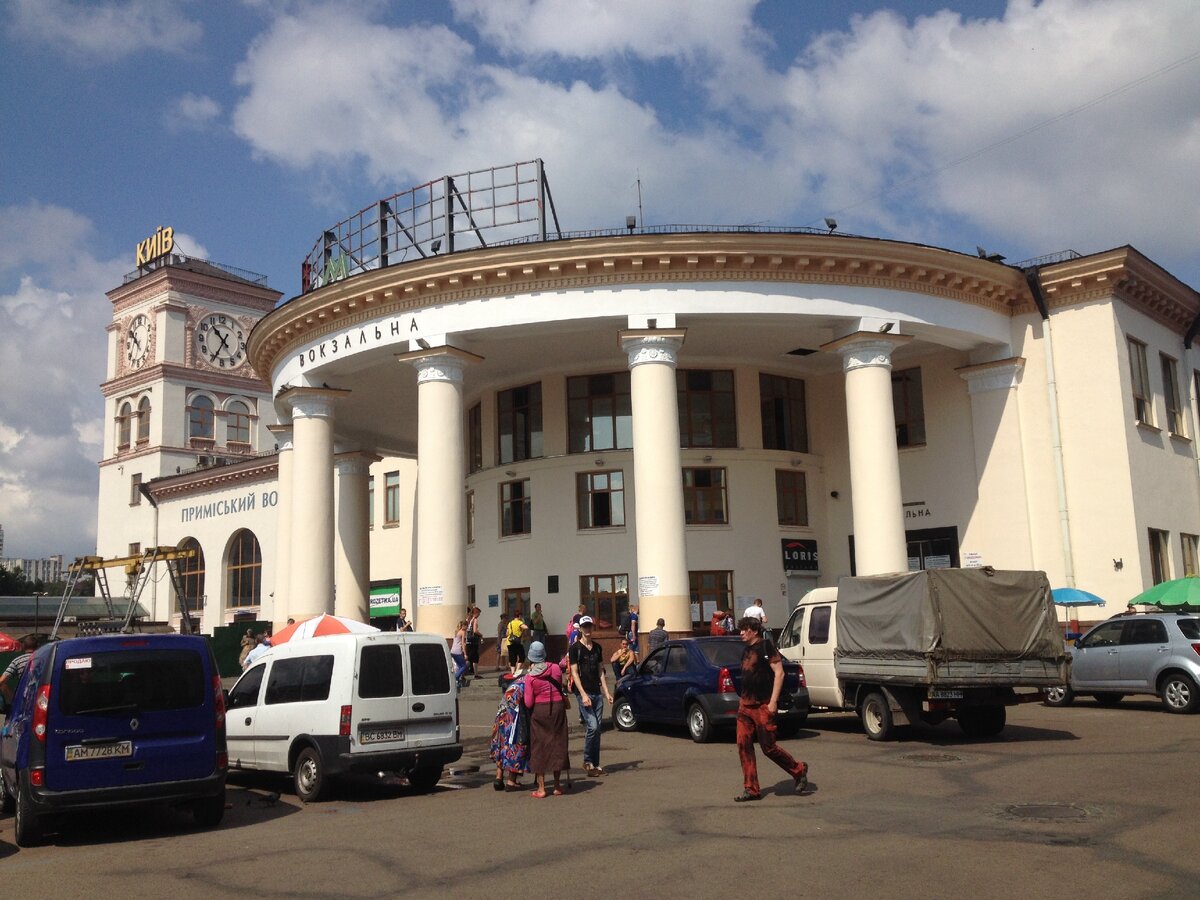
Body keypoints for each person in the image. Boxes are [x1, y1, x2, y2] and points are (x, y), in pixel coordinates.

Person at [733, 616, 808, 803]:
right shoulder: (746, 651)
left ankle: (798, 770)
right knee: (743, 745)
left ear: (754, 631)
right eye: (740, 629)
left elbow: (779, 673)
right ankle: (751, 789)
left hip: (763, 705)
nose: (741, 633)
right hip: (745, 706)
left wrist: (773, 702)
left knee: (769, 748)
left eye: (744, 629)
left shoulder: (766, 647)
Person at [522, 641, 570, 798]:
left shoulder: (530, 677)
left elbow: (528, 702)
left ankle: (542, 788)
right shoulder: (555, 668)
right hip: (557, 708)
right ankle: (557, 786)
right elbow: (560, 684)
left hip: (540, 711)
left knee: (539, 746)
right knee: (558, 742)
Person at [568, 616, 612, 777]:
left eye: (589, 626)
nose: (587, 629)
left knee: (597, 729)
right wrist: (583, 694)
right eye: (585, 626)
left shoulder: (597, 648)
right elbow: (574, 672)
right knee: (592, 726)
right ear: (580, 628)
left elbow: (601, 671)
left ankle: (596, 763)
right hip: (583, 693)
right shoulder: (575, 649)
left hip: (597, 693)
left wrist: (606, 692)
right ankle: (587, 761)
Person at [489, 672, 530, 791]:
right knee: (514, 746)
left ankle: (499, 776)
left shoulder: (514, 685)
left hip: (501, 714)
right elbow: (529, 701)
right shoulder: (527, 683)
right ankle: (511, 781)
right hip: (514, 719)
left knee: (501, 745)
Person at [0, 635, 37, 705]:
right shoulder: (45, 659)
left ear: (23, 646)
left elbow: (2, 681)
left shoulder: (17, 661)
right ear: (37, 646)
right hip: (42, 696)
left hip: (24, 697)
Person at [450, 619, 469, 688]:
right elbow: (463, 644)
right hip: (458, 651)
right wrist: (465, 654)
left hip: (452, 651)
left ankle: (457, 681)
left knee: (459, 666)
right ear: (464, 626)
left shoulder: (456, 631)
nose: (467, 628)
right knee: (464, 666)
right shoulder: (463, 632)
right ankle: (455, 678)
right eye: (466, 626)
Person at [466, 607, 482, 676]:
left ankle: (465, 671)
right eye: (479, 613)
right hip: (474, 641)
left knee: (469, 658)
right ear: (476, 613)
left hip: (468, 641)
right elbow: (475, 631)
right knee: (475, 658)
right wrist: (481, 635)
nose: (479, 615)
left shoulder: (469, 620)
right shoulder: (475, 620)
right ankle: (476, 674)